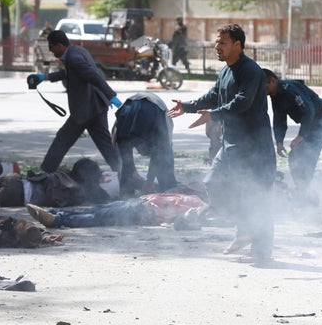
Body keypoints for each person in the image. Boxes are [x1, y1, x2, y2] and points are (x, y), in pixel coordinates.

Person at [169, 23, 277, 262]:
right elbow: (213, 96)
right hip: (232, 146)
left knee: (257, 197)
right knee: (213, 183)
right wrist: (187, 107)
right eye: (216, 42)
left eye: (222, 43)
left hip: (254, 148)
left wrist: (213, 114)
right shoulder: (226, 71)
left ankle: (261, 252)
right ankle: (245, 227)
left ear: (238, 45)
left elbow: (243, 102)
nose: (216, 47)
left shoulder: (251, 71)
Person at [26, 30, 122, 174]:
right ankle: (126, 175)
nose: (51, 50)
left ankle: (45, 174)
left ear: (59, 45)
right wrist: (44, 77)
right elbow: (69, 73)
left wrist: (112, 96)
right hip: (97, 106)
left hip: (85, 110)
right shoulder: (77, 51)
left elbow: (94, 76)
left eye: (51, 46)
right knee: (106, 146)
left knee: (62, 140)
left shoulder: (73, 58)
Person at [262, 69, 322, 203]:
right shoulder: (275, 96)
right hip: (310, 123)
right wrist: (279, 142)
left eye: (265, 87)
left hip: (321, 121)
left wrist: (301, 136)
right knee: (295, 156)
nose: (264, 91)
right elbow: (279, 120)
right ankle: (303, 191)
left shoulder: (290, 89)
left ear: (273, 81)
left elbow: (309, 111)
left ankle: (305, 193)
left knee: (307, 155)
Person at [26, 191, 207, 229]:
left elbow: (183, 220)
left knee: (99, 217)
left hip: (143, 212)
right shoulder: (196, 198)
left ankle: (57, 220)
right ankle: (55, 215)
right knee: (98, 211)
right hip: (138, 203)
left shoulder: (200, 207)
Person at [113, 92, 178, 197]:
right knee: (165, 156)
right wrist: (148, 180)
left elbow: (123, 149)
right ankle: (168, 189)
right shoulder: (162, 131)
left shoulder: (164, 125)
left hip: (127, 110)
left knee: (125, 160)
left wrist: (148, 180)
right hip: (147, 111)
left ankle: (126, 196)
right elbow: (160, 152)